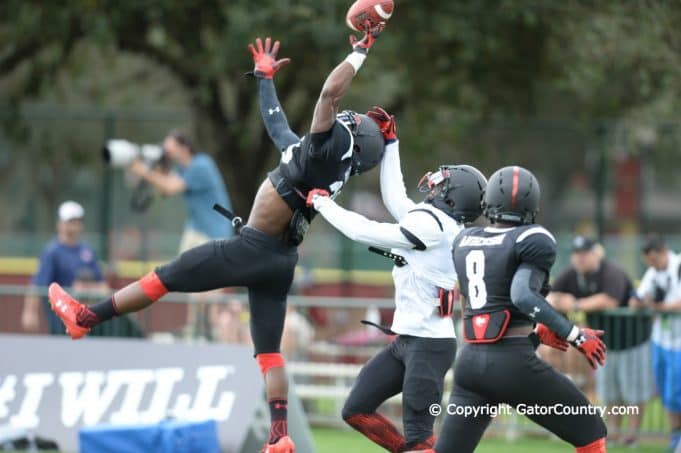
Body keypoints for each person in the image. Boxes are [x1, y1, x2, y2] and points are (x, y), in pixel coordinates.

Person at [47, 28, 386, 453]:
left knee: (164, 278)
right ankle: (279, 436)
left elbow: (328, 94)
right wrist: (265, 83)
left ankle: (86, 319)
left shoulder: (322, 148)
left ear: (350, 136)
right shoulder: (321, 161)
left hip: (253, 248)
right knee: (268, 354)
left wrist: (360, 50)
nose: (345, 117)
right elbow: (277, 127)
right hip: (281, 260)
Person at [306, 107, 487, 452]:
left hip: (429, 345)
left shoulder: (436, 227)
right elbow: (395, 198)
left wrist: (324, 205)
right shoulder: (435, 221)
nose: (436, 181)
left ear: (453, 195)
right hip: (408, 340)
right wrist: (391, 142)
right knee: (356, 410)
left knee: (421, 435)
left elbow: (365, 232)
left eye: (444, 182)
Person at [418, 166, 608, 453]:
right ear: (533, 206)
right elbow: (521, 296)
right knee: (592, 431)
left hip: (470, 363)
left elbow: (489, 308)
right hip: (512, 364)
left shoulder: (464, 240)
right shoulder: (532, 238)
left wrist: (536, 335)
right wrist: (575, 335)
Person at [548, 235, 652, 446]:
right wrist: (559, 300)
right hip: (605, 345)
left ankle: (632, 435)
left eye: (584, 254)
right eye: (576, 254)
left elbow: (609, 300)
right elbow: (549, 296)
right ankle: (612, 433)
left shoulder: (610, 271)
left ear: (595, 254)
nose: (580, 259)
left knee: (633, 391)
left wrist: (575, 304)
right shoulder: (572, 274)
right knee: (610, 391)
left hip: (632, 340)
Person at [129, 130, 233, 338]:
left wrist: (141, 169)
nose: (166, 152)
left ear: (183, 147)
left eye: (170, 148)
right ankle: (195, 331)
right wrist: (156, 168)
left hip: (214, 232)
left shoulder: (201, 165)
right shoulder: (184, 169)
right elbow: (164, 190)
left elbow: (169, 186)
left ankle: (210, 332)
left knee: (208, 290)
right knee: (191, 281)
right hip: (197, 230)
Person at [22, 201, 107, 335]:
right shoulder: (51, 252)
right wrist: (30, 312)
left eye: (78, 220)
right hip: (61, 320)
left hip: (87, 320)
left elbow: (103, 286)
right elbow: (38, 284)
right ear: (60, 224)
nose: (75, 224)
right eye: (70, 221)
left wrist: (86, 290)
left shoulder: (88, 251)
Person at [635, 234, 681, 452]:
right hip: (661, 340)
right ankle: (675, 437)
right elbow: (638, 297)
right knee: (665, 391)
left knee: (676, 392)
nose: (652, 265)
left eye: (654, 260)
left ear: (663, 252)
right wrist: (641, 302)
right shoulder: (653, 272)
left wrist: (655, 307)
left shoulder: (679, 265)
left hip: (680, 342)